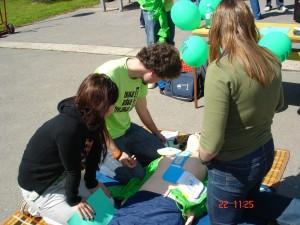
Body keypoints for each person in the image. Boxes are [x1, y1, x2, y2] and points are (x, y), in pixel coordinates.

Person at [194, 0, 286, 224]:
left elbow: (210, 147)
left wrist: (199, 152)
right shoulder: (270, 58)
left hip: (232, 168)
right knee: (248, 204)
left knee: (225, 215)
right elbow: (279, 105)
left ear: (217, 27)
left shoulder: (220, 69)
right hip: (265, 152)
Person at [18, 74, 119, 225]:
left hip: (64, 176)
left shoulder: (92, 118)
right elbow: (74, 169)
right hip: (42, 189)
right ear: (101, 105)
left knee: (109, 205)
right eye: (112, 103)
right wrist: (74, 201)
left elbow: (93, 154)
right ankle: (37, 209)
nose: (114, 107)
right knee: (91, 222)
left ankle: (56, 210)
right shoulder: (68, 128)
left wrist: (92, 183)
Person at [94, 43, 182, 184]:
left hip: (126, 128)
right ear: (152, 72)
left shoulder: (141, 77)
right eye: (160, 79)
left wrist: (156, 132)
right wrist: (117, 153)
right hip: (104, 137)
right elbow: (95, 122)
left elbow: (142, 109)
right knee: (137, 176)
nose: (158, 82)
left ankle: (125, 154)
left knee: (161, 154)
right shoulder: (108, 76)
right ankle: (100, 160)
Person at [109, 134, 208, 225]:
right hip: (161, 205)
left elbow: (143, 179)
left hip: (146, 202)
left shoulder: (164, 159)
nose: (197, 135)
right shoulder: (204, 167)